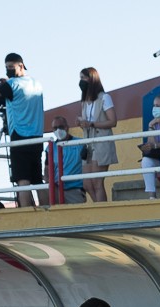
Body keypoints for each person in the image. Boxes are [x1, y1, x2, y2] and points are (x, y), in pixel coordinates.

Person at [0, 53, 44, 207]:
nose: (8, 70)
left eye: (11, 67)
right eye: (6, 68)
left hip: (20, 136)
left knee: (22, 180)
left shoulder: (12, 85)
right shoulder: (36, 83)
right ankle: (48, 209)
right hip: (38, 136)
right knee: (38, 180)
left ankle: (26, 212)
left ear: (21, 65)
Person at [77, 67, 117, 203]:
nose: (81, 81)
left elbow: (113, 121)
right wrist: (82, 123)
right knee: (87, 184)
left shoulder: (105, 97)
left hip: (101, 142)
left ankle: (103, 213)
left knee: (97, 182)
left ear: (92, 79)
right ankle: (100, 208)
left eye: (83, 78)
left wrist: (91, 124)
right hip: (88, 143)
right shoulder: (84, 101)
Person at [47, 117, 86, 204]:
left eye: (61, 127)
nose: (58, 130)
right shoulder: (50, 148)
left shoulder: (80, 143)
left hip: (75, 189)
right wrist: (50, 186)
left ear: (67, 127)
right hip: (56, 190)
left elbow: (88, 166)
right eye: (55, 128)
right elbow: (47, 169)